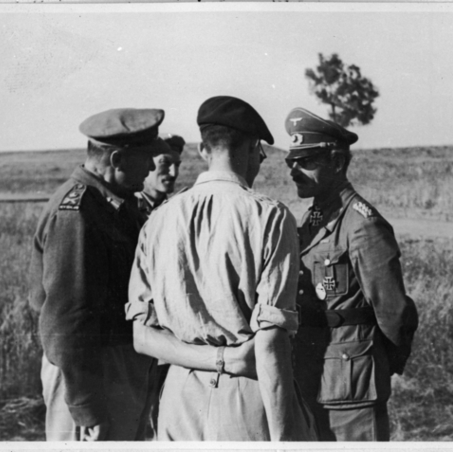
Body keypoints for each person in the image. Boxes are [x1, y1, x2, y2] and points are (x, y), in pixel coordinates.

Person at [126, 96, 316, 441]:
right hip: (248, 397)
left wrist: (215, 358)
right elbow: (271, 344)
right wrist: (284, 439)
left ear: (203, 150)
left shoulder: (158, 219)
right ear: (254, 149)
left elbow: (141, 336)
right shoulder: (269, 216)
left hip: (179, 399)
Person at [29, 108, 165, 441]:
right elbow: (66, 322)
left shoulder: (111, 204)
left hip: (111, 370)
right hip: (90, 377)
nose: (151, 167)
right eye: (146, 158)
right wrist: (86, 407)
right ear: (117, 158)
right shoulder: (78, 214)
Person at [284, 107, 419, 441]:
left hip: (352, 386)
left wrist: (377, 365)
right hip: (312, 374)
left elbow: (395, 313)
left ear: (338, 163)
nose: (295, 171)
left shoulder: (362, 224)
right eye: (292, 162)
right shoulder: (314, 218)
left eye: (307, 161)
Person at [135, 138, 181, 219]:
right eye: (165, 163)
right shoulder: (126, 208)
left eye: (177, 165)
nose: (173, 173)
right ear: (146, 163)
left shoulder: (177, 209)